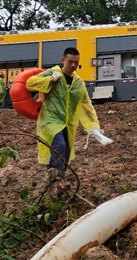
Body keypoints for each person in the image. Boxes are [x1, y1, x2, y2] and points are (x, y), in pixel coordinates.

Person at [26, 47, 102, 182]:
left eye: (76, 63)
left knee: (65, 153)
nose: (73, 65)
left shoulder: (78, 83)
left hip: (68, 123)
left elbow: (86, 104)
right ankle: (53, 173)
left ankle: (59, 183)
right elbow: (30, 83)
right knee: (59, 145)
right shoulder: (53, 73)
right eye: (70, 61)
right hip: (51, 120)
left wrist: (93, 125)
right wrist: (49, 79)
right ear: (63, 60)